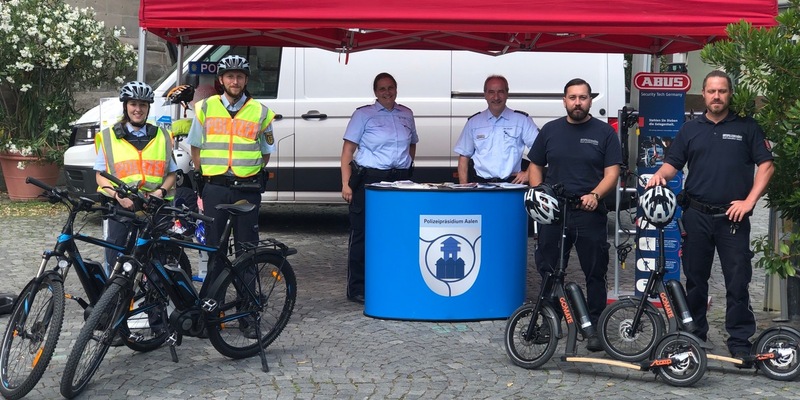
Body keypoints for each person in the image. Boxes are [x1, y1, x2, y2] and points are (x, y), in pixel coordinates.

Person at [645, 70, 774, 364]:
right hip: (696, 215)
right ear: (703, 94)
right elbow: (671, 165)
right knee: (695, 281)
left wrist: (750, 201)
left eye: (722, 91)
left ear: (730, 94)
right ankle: (695, 335)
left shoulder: (746, 127)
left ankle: (739, 340)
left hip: (732, 218)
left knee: (738, 280)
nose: (717, 96)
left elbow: (766, 166)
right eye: (712, 91)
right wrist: (657, 177)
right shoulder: (690, 129)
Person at [527, 78, 622, 352]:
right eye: (572, 97)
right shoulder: (550, 130)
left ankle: (595, 326)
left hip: (589, 214)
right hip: (555, 214)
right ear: (564, 100)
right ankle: (549, 320)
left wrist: (595, 195)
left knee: (595, 272)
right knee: (549, 270)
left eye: (582, 97)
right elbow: (535, 164)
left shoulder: (605, 132)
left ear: (591, 100)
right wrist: (538, 194)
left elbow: (612, 173)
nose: (577, 102)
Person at [188, 54, 275, 267]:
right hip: (215, 186)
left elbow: (266, 151)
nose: (234, 82)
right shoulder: (206, 107)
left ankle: (248, 297)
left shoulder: (261, 112)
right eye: (230, 77)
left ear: (246, 80)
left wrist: (249, 169)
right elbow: (196, 146)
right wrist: (201, 172)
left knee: (247, 247)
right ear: (221, 80)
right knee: (214, 246)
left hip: (247, 187)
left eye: (239, 77)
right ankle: (215, 298)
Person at [340, 72, 418, 304]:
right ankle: (357, 287)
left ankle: (393, 280)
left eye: (391, 87)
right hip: (370, 180)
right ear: (375, 92)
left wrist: (407, 166)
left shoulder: (407, 114)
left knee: (398, 232)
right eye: (382, 88)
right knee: (362, 234)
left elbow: (412, 144)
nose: (387, 92)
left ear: (396, 89)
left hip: (400, 180)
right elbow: (347, 151)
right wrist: (346, 183)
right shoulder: (363, 115)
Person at [94, 81, 178, 276]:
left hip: (155, 206)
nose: (137, 109)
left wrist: (161, 191)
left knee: (157, 260)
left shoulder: (162, 136)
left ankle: (155, 304)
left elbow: (172, 173)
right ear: (126, 106)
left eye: (143, 105)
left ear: (148, 108)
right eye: (133, 104)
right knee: (116, 259)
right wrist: (117, 196)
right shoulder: (109, 137)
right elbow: (100, 175)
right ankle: (116, 302)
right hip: (123, 205)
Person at [454, 75, 539, 184]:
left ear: (507, 94)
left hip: (511, 185)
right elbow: (464, 157)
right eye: (491, 92)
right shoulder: (473, 123)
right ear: (485, 95)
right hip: (481, 186)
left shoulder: (522, 121)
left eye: (500, 92)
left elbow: (539, 149)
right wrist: (464, 187)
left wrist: (528, 173)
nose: (496, 97)